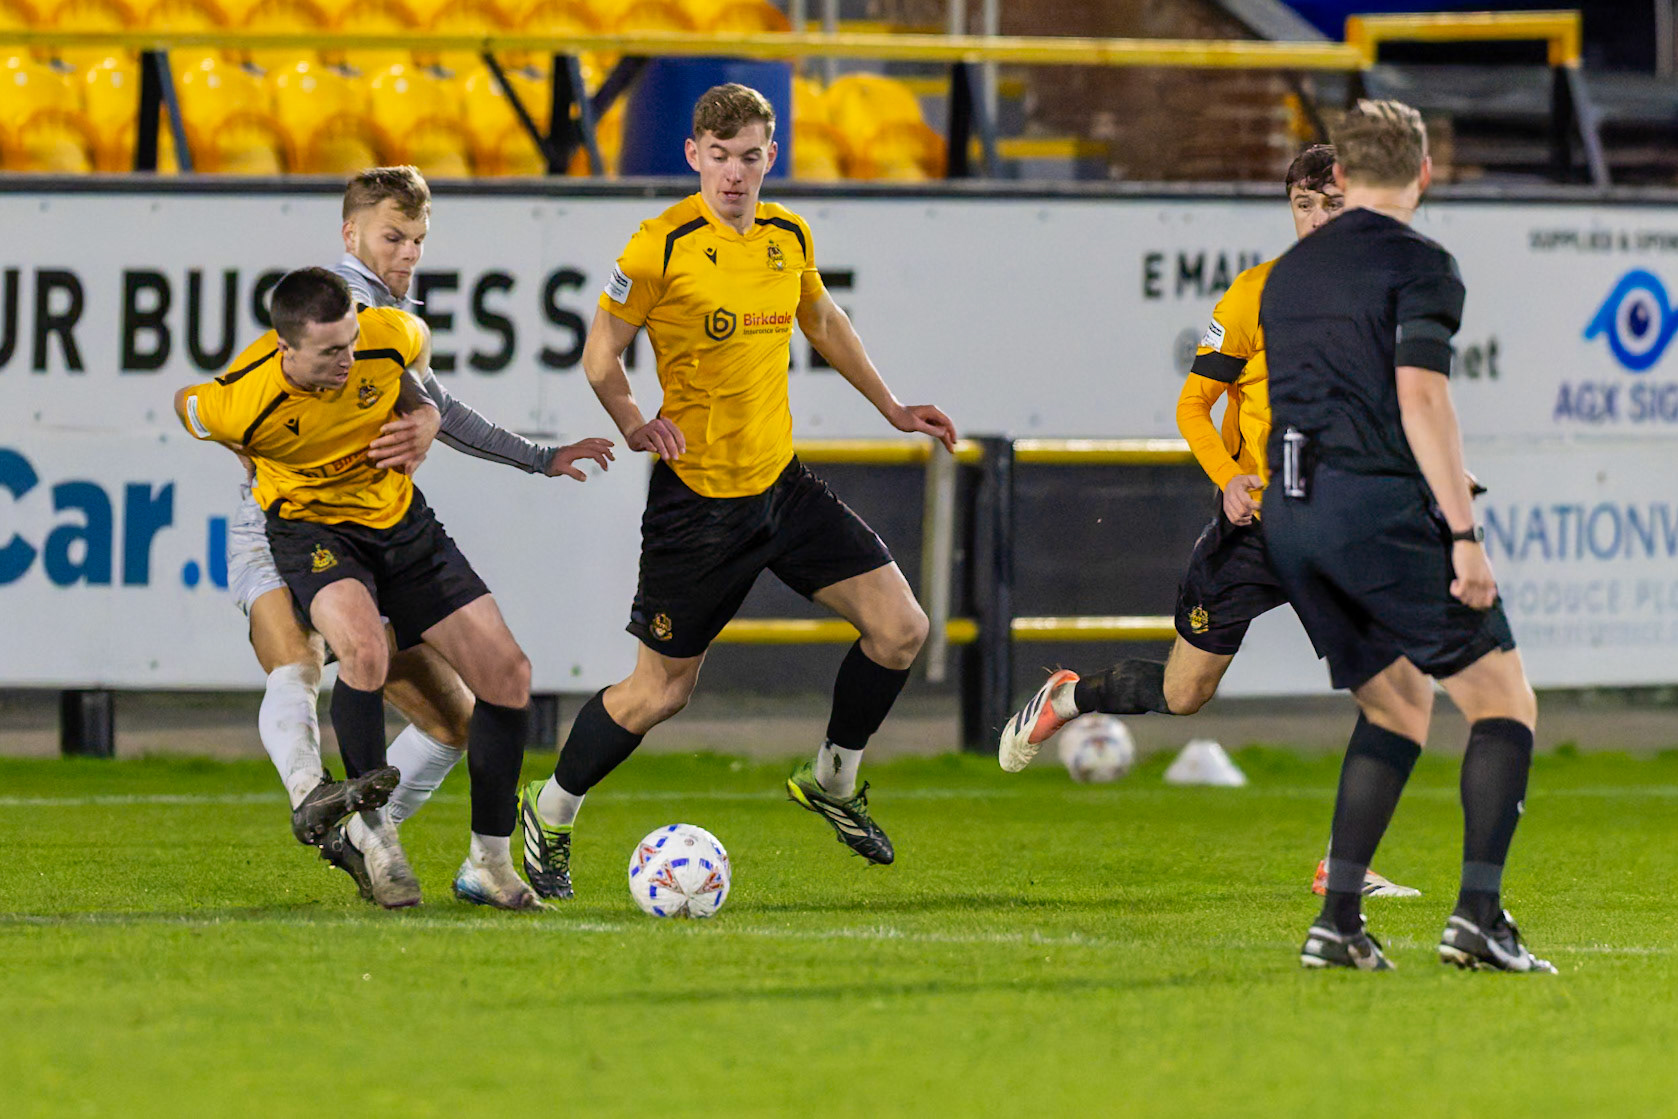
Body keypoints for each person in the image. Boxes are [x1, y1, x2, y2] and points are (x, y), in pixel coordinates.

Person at [518, 83, 959, 900]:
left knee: (901, 628)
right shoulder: (659, 246)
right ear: (694, 156)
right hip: (697, 505)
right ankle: (549, 810)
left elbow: (822, 321)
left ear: (769, 157)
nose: (733, 174)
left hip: (780, 488)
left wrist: (893, 407)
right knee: (660, 692)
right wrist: (633, 421)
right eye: (718, 157)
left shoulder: (788, 234)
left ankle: (832, 778)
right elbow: (599, 355)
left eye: (748, 157)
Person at [996, 145, 1418, 900]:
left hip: (1336, 530)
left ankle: (1344, 867)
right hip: (1255, 526)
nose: (1316, 218)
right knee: (1186, 694)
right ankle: (1070, 697)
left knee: (1393, 691)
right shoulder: (1256, 296)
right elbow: (1194, 404)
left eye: (1330, 204)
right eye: (1304, 204)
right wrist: (1227, 481)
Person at [223, 167, 612, 907]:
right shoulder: (343, 309)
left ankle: (412, 843)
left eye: (417, 239)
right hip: (289, 521)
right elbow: (219, 404)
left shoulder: (397, 319)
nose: (405, 252)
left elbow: (435, 406)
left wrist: (484, 436)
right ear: (351, 235)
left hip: (383, 523)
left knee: (455, 713)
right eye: (391, 237)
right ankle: (329, 807)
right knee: (302, 663)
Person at [1260, 100, 1550, 972]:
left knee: (1395, 703)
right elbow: (1420, 397)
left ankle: (1338, 922)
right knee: (1504, 701)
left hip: (1291, 512)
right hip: (1369, 508)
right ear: (1424, 173)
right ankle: (1477, 918)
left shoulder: (1289, 274)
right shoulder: (1424, 266)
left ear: (1339, 177)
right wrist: (1462, 533)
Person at [177, 268, 547, 911]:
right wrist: (243, 448)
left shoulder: (385, 335)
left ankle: (489, 861)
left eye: (350, 343)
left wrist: (425, 410)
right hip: (315, 530)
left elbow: (418, 348)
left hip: (402, 526)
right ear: (286, 348)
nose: (348, 361)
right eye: (329, 352)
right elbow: (190, 407)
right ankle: (377, 843)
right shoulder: (242, 397)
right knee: (364, 650)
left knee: (509, 676)